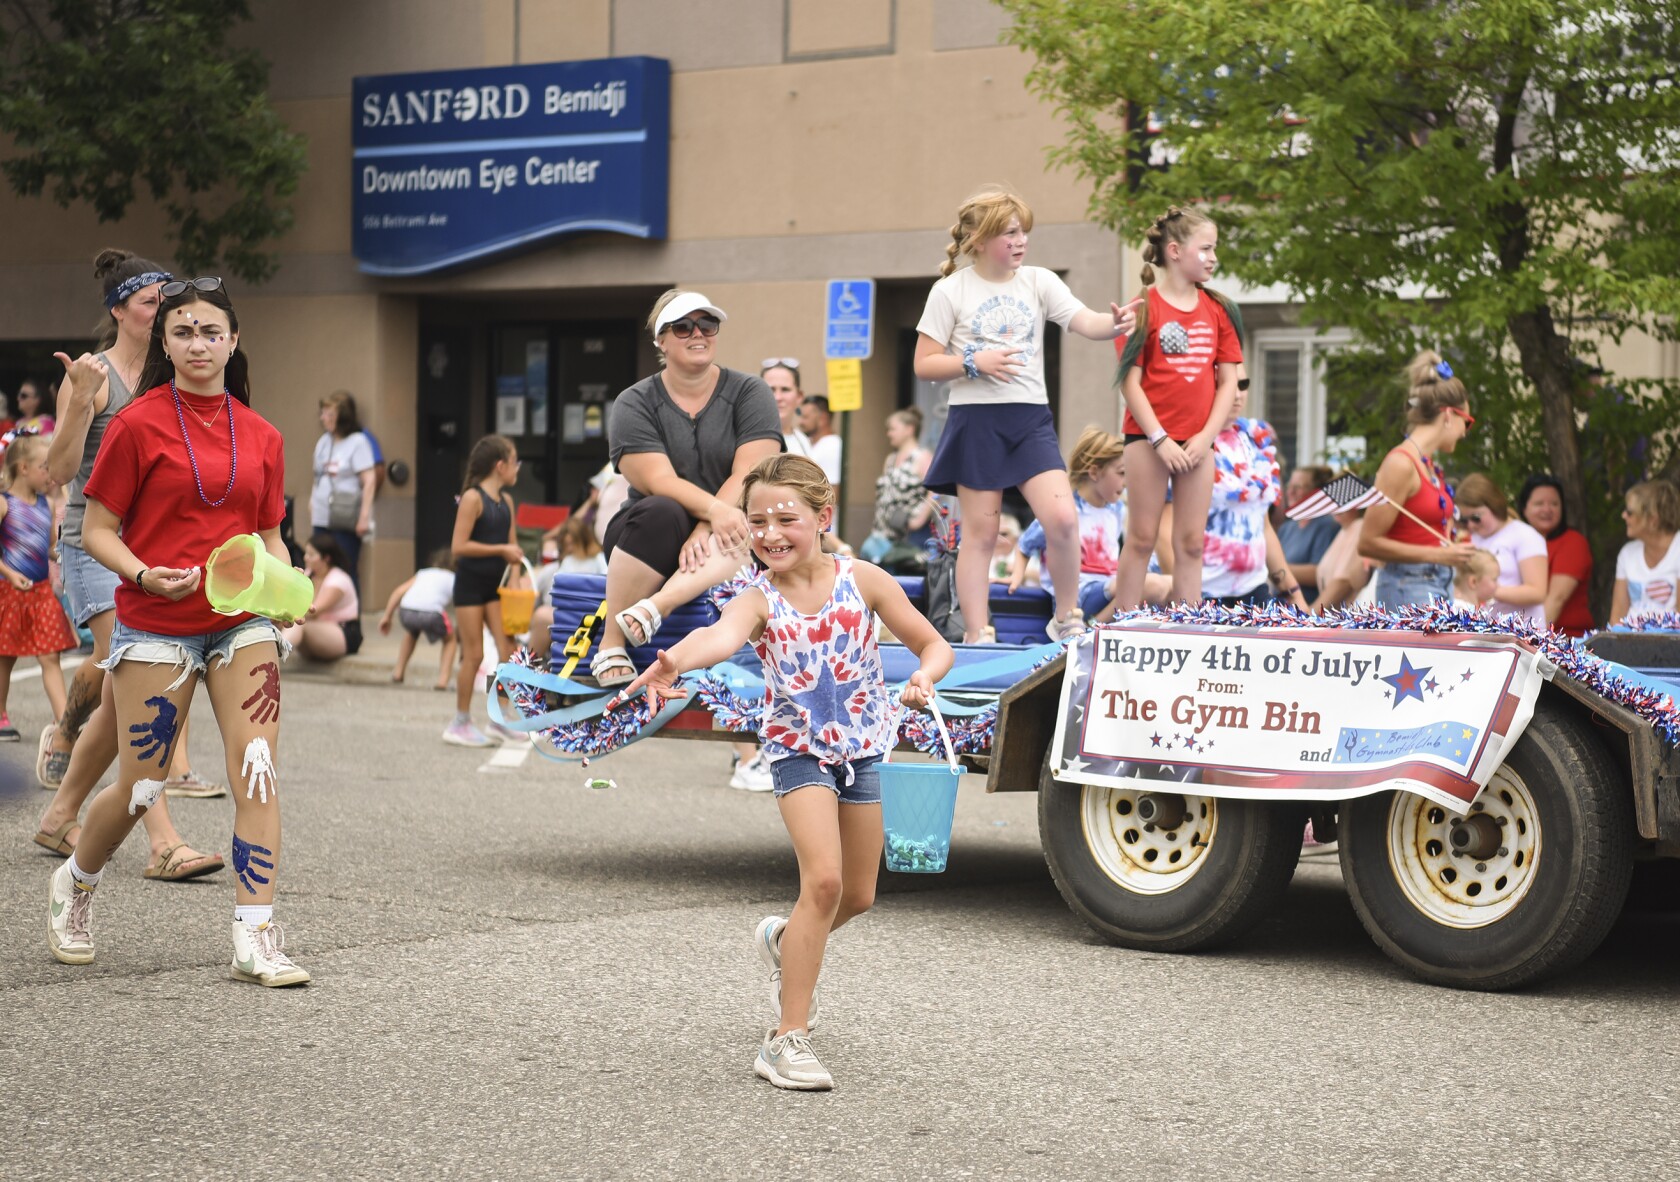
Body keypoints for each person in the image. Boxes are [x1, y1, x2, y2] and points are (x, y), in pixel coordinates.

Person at [618, 454, 954, 1091]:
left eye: (787, 518)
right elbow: (718, 637)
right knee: (823, 882)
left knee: (857, 895)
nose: (770, 533)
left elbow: (935, 644)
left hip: (863, 749)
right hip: (798, 749)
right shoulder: (758, 596)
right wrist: (671, 664)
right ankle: (785, 1039)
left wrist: (921, 677)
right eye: (757, 521)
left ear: (823, 518)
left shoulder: (867, 580)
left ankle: (784, 938)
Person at [48, 273, 309, 985]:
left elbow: (269, 536)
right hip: (156, 620)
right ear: (164, 341)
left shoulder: (263, 434)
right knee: (141, 786)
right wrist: (140, 575)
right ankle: (77, 880)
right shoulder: (138, 425)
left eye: (211, 330)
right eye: (184, 331)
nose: (199, 342)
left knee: (256, 767)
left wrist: (283, 589)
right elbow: (97, 529)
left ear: (233, 341)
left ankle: (256, 935)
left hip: (240, 622)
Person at [33, 250, 224, 881]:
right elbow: (58, 473)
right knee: (144, 679)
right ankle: (162, 841)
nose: (164, 312)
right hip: (95, 541)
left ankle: (62, 811)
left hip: (156, 548)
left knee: (121, 692)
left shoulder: (176, 371)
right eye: (151, 303)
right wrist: (81, 403)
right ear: (120, 310)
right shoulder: (94, 374)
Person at [913, 187, 1134, 642]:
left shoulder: (1039, 281)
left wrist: (1114, 322)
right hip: (976, 420)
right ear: (978, 239)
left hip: (1030, 418)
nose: (1020, 241)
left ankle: (1068, 616)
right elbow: (924, 362)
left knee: (1063, 519)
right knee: (981, 533)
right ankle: (978, 631)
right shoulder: (950, 290)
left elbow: (1085, 321)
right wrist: (974, 362)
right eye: (1010, 233)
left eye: (1024, 232)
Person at [592, 290, 782, 688]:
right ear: (661, 340)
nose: (698, 333)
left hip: (729, 534)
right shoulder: (634, 402)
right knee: (665, 509)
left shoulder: (750, 392)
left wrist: (708, 526)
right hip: (647, 537)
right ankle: (611, 641)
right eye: (683, 326)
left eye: (707, 324)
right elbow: (658, 481)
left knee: (749, 522)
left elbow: (751, 472)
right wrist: (712, 515)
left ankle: (655, 608)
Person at [1111, 205, 1244, 612]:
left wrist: (1205, 438)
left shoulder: (1219, 308)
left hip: (1199, 441)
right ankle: (1123, 626)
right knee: (1141, 536)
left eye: (1215, 249)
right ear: (1174, 250)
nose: (1213, 257)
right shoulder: (1143, 308)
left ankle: (1190, 626)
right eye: (1205, 248)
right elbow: (1130, 383)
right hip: (1149, 439)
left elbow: (1229, 382)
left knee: (1191, 541)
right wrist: (1160, 438)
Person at [1358, 352, 1477, 606]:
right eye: (1466, 422)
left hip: (1436, 580)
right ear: (1448, 415)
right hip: (1408, 584)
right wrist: (1440, 555)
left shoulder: (1427, 464)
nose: (1465, 433)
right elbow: (1368, 543)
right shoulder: (1401, 464)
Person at [444, 434, 523, 747]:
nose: (518, 468)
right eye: (515, 461)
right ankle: (460, 722)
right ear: (500, 466)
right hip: (470, 587)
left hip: (496, 588)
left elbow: (513, 548)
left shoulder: (508, 502)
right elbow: (458, 546)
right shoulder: (473, 499)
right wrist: (501, 550)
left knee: (509, 652)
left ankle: (499, 718)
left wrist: (515, 580)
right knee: (474, 654)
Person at [0, 435, 78, 737]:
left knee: (50, 655)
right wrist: (8, 573)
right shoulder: (5, 504)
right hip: (10, 593)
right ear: (23, 468)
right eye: (44, 467)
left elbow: (49, 547)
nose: (51, 473)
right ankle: (1, 714)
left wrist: (67, 556)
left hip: (42, 592)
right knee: (5, 657)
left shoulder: (46, 504)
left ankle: (64, 723)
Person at [1009, 427, 1127, 619]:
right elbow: (1025, 545)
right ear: (1095, 472)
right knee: (1140, 585)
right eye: (1122, 473)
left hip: (1110, 589)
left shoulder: (1117, 510)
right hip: (1075, 596)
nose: (1126, 482)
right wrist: (1016, 577)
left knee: (1158, 586)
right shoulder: (1064, 511)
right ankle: (1088, 629)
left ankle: (1095, 627)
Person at [1457, 473, 1548, 625]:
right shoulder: (1474, 538)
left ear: (1493, 505)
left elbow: (1537, 592)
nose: (1471, 526)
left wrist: (1492, 591)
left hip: (1523, 634)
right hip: (1488, 631)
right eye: (1465, 520)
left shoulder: (1525, 535)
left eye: (1476, 517)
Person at [310, 389, 377, 591]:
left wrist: (364, 516)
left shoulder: (358, 442)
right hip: (322, 515)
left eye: (330, 414)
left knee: (345, 568)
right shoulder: (324, 441)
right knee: (319, 568)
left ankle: (351, 620)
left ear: (343, 416)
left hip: (345, 516)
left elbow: (370, 479)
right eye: (323, 413)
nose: (324, 418)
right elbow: (316, 475)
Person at [1517, 474, 1595, 636]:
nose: (1547, 509)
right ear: (1524, 509)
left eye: (1554, 504)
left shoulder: (1573, 543)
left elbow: (1556, 600)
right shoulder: (1514, 541)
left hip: (1564, 640)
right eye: (1539, 503)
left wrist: (1528, 639)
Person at [859, 408, 935, 563]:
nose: (889, 434)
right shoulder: (891, 459)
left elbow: (934, 491)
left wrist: (918, 520)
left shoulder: (922, 457)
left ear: (909, 429)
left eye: (893, 429)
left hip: (909, 536)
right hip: (883, 535)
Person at [380, 548, 456, 688]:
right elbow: (462, 603)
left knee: (412, 631)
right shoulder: (453, 578)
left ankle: (398, 672)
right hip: (432, 613)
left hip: (406, 611)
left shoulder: (423, 573)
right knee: (450, 640)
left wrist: (387, 616)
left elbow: (398, 592)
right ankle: (443, 680)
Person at [280, 533, 362, 660]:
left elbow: (314, 611)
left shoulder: (338, 580)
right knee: (281, 621)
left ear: (326, 558)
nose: (306, 558)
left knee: (298, 623)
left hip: (343, 632)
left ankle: (278, 652)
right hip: (317, 630)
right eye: (306, 553)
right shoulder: (308, 574)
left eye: (311, 555)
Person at [1610, 479, 1680, 625]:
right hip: (1629, 643)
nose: (1624, 516)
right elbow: (1617, 618)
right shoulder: (1627, 554)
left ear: (1653, 520)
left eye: (1630, 512)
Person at [1278, 466, 1340, 595]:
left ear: (1316, 492)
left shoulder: (1327, 525)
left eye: (1298, 487)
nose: (1290, 492)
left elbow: (1319, 573)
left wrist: (1276, 570)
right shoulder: (1287, 528)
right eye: (1289, 486)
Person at [1309, 508, 1379, 613]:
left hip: (1344, 616)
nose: (1337, 507)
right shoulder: (1344, 530)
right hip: (1335, 616)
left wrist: (1311, 615)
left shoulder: (1359, 526)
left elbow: (1343, 581)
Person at [763, 360, 814, 460]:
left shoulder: (803, 441)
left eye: (785, 389)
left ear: (799, 396)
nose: (778, 397)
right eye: (771, 389)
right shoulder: (747, 440)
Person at [799, 395, 843, 495]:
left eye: (805, 417)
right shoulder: (810, 442)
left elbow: (832, 491)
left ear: (823, 418)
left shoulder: (832, 446)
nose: (800, 422)